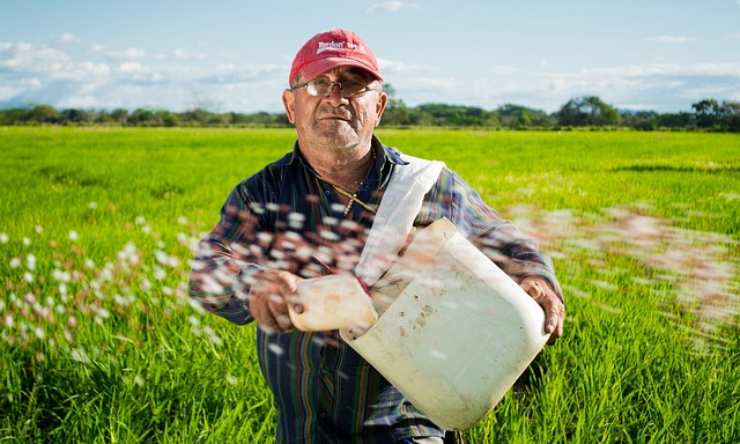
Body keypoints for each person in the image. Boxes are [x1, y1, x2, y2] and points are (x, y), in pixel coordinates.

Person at [189, 28, 565, 444]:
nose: (335, 96)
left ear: (379, 106)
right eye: (318, 83)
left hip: (410, 426)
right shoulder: (263, 194)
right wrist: (252, 283)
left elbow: (501, 238)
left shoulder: (425, 185)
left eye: (353, 84)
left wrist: (537, 277)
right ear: (290, 105)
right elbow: (206, 271)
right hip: (303, 431)